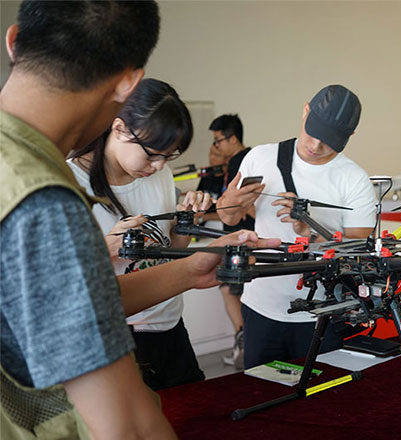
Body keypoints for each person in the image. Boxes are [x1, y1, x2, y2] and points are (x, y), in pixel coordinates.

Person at [0, 2, 278, 438]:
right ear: (129, 84)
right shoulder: (43, 198)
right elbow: (125, 424)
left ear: (14, 41)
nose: (156, 166)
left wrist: (190, 268)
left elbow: (78, 304)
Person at [217, 85, 377, 369]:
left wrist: (309, 230)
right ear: (305, 111)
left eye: (328, 141)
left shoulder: (354, 179)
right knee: (259, 387)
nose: (315, 145)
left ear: (349, 136)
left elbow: (358, 251)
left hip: (322, 314)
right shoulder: (260, 157)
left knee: (322, 393)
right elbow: (229, 218)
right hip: (261, 307)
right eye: (312, 133)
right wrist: (228, 203)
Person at [68, 78, 212, 390]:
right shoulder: (70, 183)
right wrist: (104, 249)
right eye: (152, 154)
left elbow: (170, 252)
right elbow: (58, 287)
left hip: (169, 324)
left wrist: (185, 222)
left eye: (168, 156)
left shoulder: (160, 176)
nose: (158, 166)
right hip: (113, 334)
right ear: (119, 128)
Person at [197, 114, 254, 369]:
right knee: (233, 289)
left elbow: (240, 207)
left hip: (242, 240)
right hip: (240, 238)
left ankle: (244, 340)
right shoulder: (244, 160)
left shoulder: (241, 162)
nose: (216, 147)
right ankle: (244, 341)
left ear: (232, 139)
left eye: (218, 141)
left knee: (229, 288)